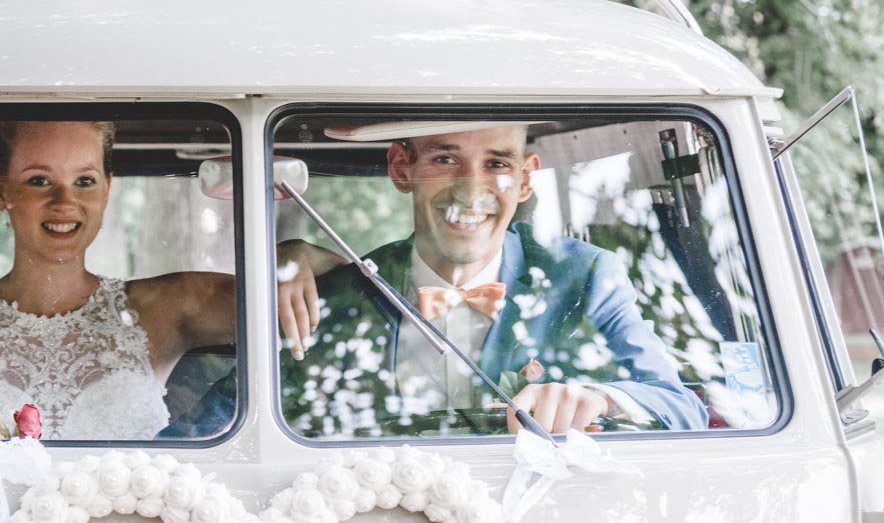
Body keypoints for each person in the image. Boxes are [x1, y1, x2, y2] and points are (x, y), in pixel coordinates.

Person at [0, 120, 320, 440]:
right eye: (39, 180)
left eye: (85, 181)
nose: (65, 202)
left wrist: (292, 255)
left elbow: (355, 288)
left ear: (107, 189)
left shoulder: (166, 306)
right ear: (1, 190)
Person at [279, 123, 708, 437]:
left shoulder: (586, 276)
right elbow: (229, 420)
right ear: (401, 167)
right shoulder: (347, 289)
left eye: (497, 163)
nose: (470, 192)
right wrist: (280, 263)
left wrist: (600, 397)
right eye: (445, 159)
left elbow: (682, 406)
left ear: (524, 179)